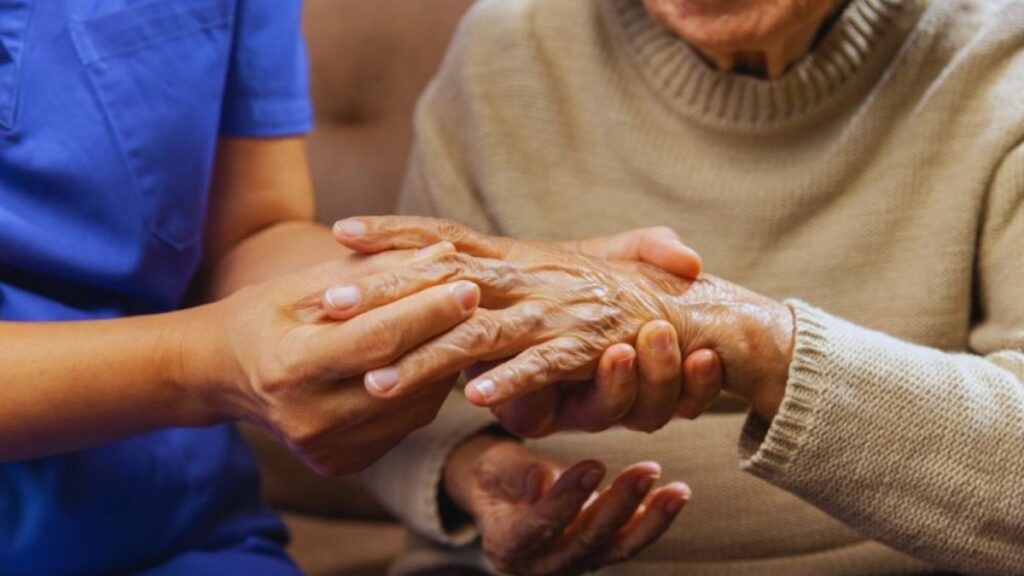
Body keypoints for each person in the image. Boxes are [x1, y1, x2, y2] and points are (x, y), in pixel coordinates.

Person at [0, 2, 706, 574]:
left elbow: (252, 233)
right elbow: (217, 353)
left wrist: (488, 280)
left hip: (177, 531)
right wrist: (205, 364)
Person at [332, 0, 1024, 573]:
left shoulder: (1001, 56)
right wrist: (473, 472)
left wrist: (752, 339)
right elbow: (393, 390)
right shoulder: (504, 46)